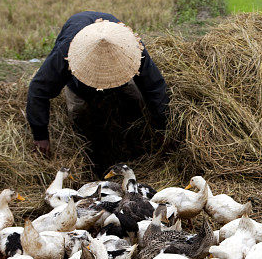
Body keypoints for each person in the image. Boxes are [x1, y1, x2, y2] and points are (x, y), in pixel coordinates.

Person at [26, 11, 170, 176]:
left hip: (119, 82)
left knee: (136, 105)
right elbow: (38, 89)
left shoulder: (132, 48)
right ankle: (90, 163)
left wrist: (162, 128)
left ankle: (134, 149)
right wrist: (40, 135)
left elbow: (154, 86)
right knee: (78, 116)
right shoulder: (66, 52)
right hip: (78, 86)